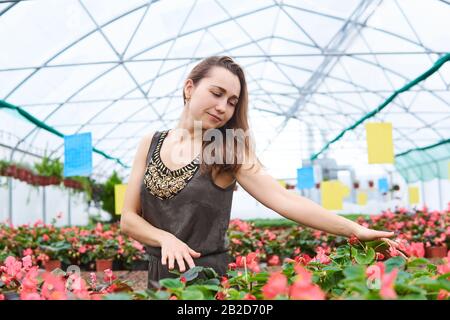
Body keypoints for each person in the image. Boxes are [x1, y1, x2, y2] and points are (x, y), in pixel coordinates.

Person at [120, 56, 397, 289]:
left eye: (232, 101)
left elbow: (285, 200)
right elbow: (129, 219)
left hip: (205, 281)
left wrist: (356, 230)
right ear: (189, 88)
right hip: (157, 277)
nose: (223, 107)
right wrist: (165, 238)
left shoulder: (228, 151)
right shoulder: (150, 142)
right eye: (217, 94)